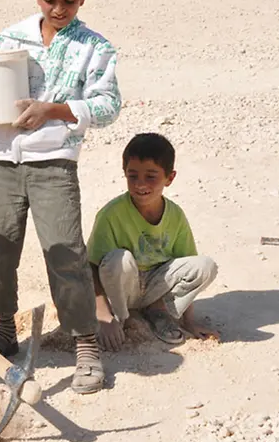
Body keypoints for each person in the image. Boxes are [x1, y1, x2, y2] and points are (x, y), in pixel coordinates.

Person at [0, 0, 122, 394]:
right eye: (50, 0)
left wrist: (54, 110)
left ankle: (85, 343)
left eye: (69, 1)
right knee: (0, 248)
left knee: (65, 251)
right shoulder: (10, 38)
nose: (58, 9)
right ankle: (5, 329)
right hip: (2, 162)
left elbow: (108, 105)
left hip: (55, 163)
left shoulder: (95, 48)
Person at [86, 133, 219, 351]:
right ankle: (123, 317)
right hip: (123, 289)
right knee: (119, 259)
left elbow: (186, 260)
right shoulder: (111, 214)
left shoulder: (176, 215)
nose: (140, 184)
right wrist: (103, 315)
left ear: (170, 178)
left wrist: (189, 322)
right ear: (124, 173)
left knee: (205, 266)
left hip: (156, 287)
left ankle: (159, 310)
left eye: (150, 176)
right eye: (133, 176)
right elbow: (91, 266)